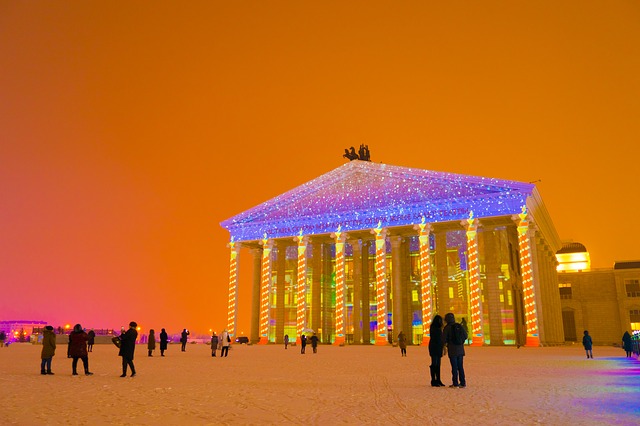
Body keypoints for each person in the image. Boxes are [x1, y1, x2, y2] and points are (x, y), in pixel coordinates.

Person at [442, 312, 467, 388]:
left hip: (452, 349)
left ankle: (455, 383)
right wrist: (460, 342)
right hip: (460, 349)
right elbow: (465, 336)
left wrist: (446, 345)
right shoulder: (459, 326)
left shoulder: (447, 328)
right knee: (460, 367)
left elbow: (444, 339)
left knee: (454, 367)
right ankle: (462, 382)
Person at [428, 315, 445, 387]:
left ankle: (438, 379)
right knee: (434, 364)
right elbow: (436, 338)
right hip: (434, 347)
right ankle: (433, 380)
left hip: (438, 347)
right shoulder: (434, 328)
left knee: (438, 364)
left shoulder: (439, 328)